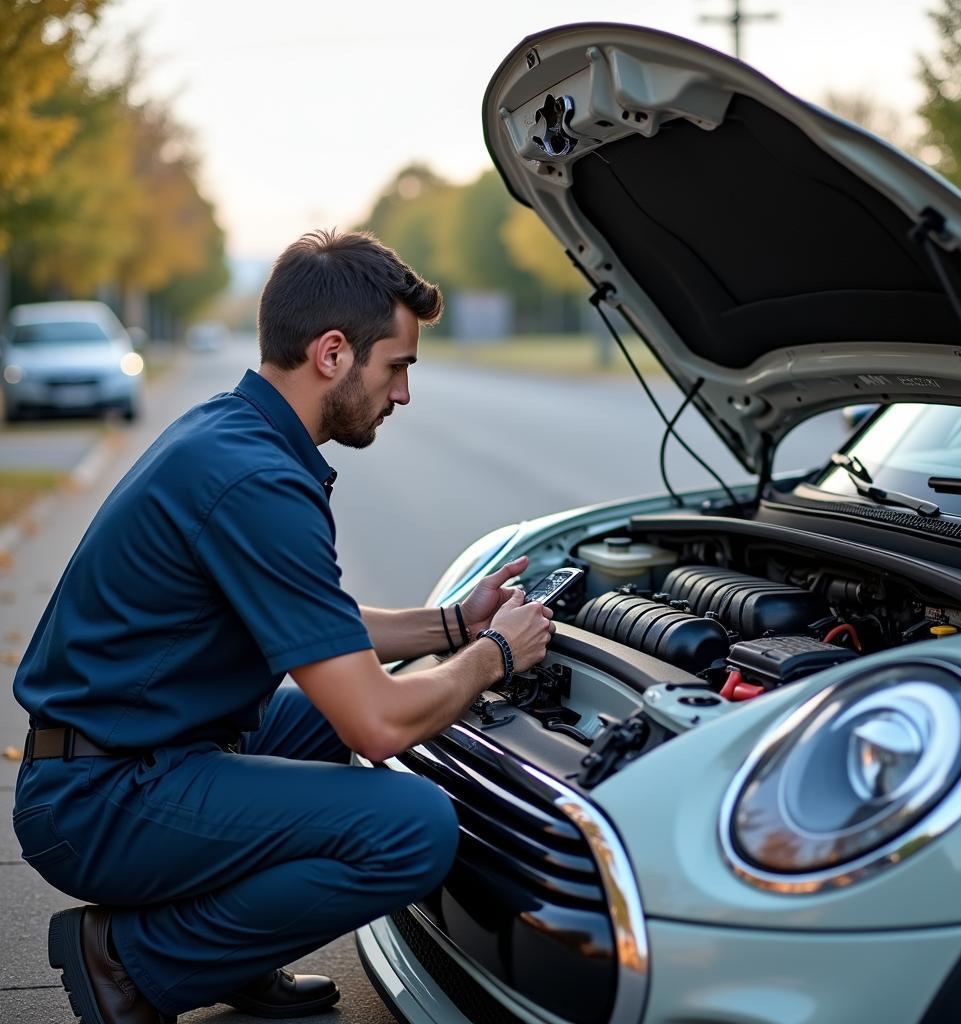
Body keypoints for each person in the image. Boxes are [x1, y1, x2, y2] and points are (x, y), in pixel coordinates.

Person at [12, 229, 555, 1024]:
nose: (402, 394)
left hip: (129, 756)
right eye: (397, 366)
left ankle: (230, 953)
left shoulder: (233, 432)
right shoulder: (256, 479)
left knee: (313, 724)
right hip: (100, 800)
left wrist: (453, 625)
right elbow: (376, 724)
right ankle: (131, 965)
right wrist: (494, 655)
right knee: (415, 827)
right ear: (332, 352)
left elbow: (314, 619)